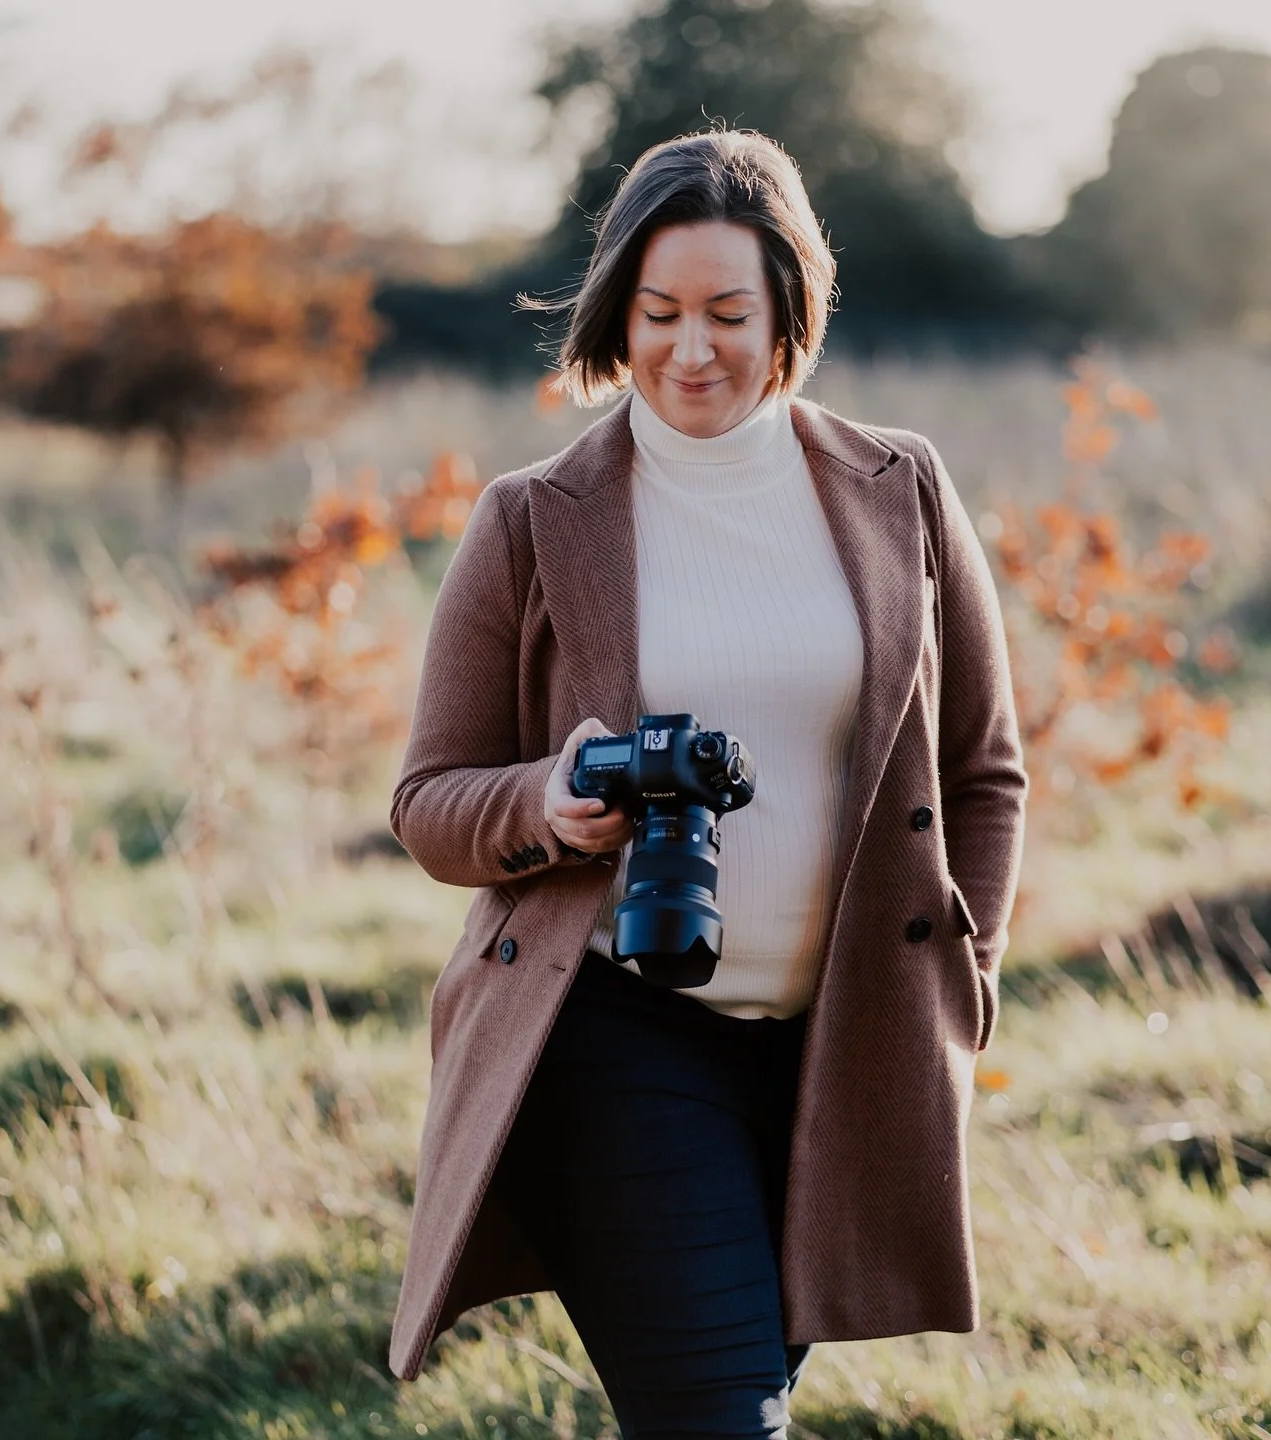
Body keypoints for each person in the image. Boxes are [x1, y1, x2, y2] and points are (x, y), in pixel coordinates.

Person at [385, 128, 1027, 1439]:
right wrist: (543, 805)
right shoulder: (534, 515)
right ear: (620, 311)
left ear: (791, 308)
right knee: (722, 1423)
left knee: (741, 1400)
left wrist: (963, 978)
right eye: (660, 311)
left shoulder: (898, 487)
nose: (692, 349)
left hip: (848, 1050)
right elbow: (429, 799)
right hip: (619, 1036)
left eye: (730, 312)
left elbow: (983, 772)